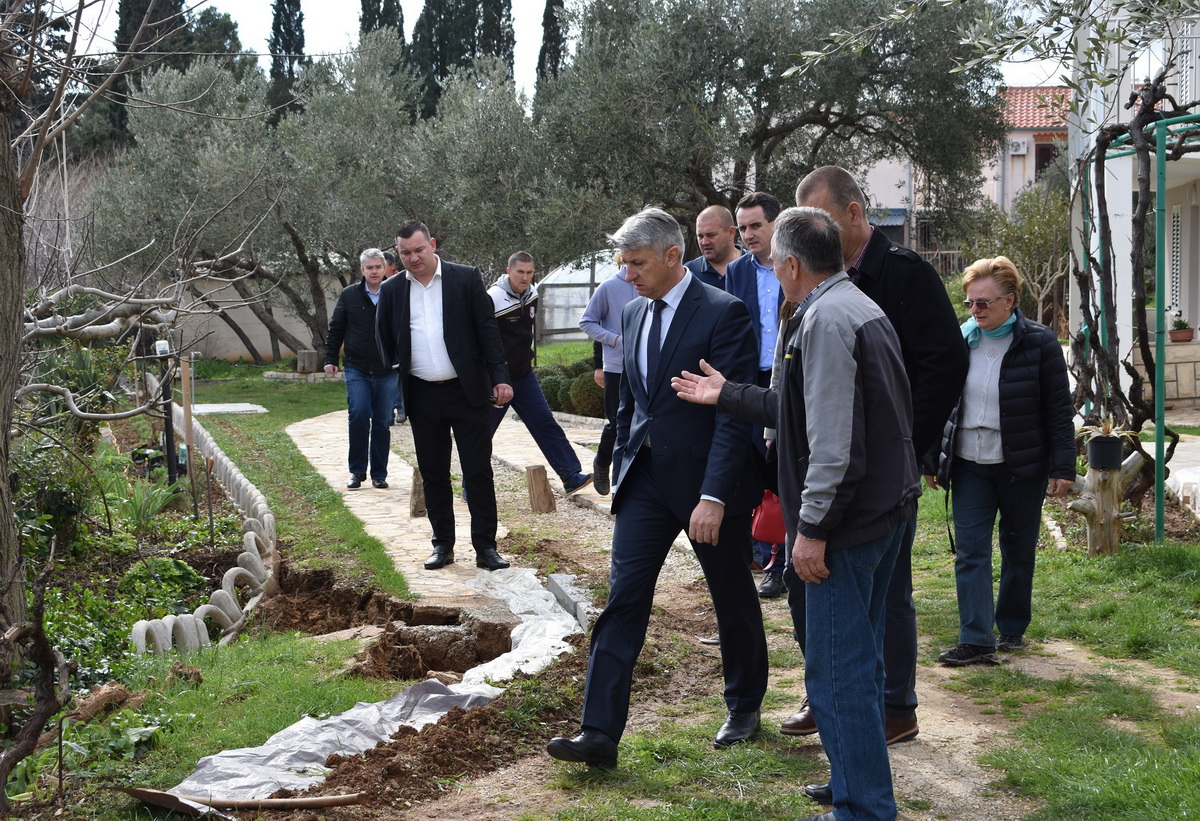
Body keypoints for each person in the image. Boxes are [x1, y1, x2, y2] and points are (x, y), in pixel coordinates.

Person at [673, 206, 919, 821]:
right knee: (856, 663)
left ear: (790, 263)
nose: (771, 274)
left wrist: (810, 531)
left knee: (839, 673)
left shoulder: (828, 321)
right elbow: (799, 405)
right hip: (883, 513)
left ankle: (862, 806)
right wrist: (726, 394)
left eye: (771, 264)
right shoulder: (852, 305)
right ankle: (853, 781)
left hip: (849, 526)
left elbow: (833, 444)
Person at [545, 208, 768, 768]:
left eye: (637, 263)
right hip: (644, 481)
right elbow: (630, 400)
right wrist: (618, 463)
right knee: (623, 599)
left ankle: (744, 705)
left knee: (731, 597)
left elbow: (733, 415)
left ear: (673, 256)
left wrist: (715, 496)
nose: (628, 275)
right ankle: (598, 732)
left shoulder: (726, 313)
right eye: (623, 265)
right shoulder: (637, 313)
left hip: (706, 487)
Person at [781, 167, 968, 763]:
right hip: (849, 469)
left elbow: (943, 363)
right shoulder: (824, 292)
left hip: (881, 473)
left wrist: (905, 442)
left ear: (856, 214)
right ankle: (835, 701)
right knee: (842, 606)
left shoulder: (900, 275)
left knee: (887, 596)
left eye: (825, 223)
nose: (818, 235)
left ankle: (893, 706)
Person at [930, 256, 1075, 666]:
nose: (975, 311)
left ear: (1010, 302)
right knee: (971, 550)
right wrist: (930, 458)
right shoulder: (960, 340)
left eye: (984, 303)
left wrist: (1063, 466)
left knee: (1018, 547)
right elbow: (939, 403)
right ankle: (976, 637)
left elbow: (1058, 410)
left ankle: (1010, 625)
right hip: (970, 463)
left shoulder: (1040, 343)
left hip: (1021, 465)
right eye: (970, 303)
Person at [376, 220, 513, 572]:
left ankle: (486, 548)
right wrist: (395, 366)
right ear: (399, 254)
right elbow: (384, 337)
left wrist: (499, 377)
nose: (413, 258)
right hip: (421, 394)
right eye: (405, 253)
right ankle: (443, 545)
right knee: (434, 473)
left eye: (419, 250)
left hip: (467, 391)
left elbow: (487, 330)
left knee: (477, 471)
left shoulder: (465, 279)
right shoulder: (392, 290)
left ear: (432, 245)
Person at [488, 251, 592, 494]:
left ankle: (570, 475)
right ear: (508, 271)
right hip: (497, 380)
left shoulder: (533, 294)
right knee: (482, 433)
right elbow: (485, 340)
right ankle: (471, 486)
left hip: (524, 376)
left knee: (545, 422)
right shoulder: (492, 298)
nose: (525, 278)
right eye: (520, 272)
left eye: (529, 272)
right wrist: (493, 378)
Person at [725, 191, 787, 599]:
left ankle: (780, 566)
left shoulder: (794, 265)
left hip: (785, 378)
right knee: (747, 467)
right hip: (749, 380)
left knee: (781, 472)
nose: (747, 234)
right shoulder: (738, 272)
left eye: (754, 226)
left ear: (774, 225)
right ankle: (753, 551)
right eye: (742, 227)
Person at [323, 248, 397, 490]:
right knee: (358, 414)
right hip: (357, 368)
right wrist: (330, 358)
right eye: (369, 268)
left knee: (382, 421)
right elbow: (336, 329)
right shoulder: (349, 295)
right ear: (362, 270)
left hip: (387, 369)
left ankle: (379, 474)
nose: (374, 271)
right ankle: (356, 472)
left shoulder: (395, 292)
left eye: (378, 267)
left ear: (385, 268)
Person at [578, 255, 638, 496]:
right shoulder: (609, 287)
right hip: (616, 367)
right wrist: (614, 341)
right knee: (616, 422)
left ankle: (628, 480)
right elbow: (587, 322)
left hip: (647, 366)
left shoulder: (655, 283)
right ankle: (603, 463)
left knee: (640, 424)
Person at [685, 204, 743, 288]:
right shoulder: (689, 273)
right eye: (700, 236)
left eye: (711, 235)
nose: (704, 242)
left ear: (731, 233)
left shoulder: (755, 265)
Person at [381, 249, 406, 425]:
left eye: (382, 266)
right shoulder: (379, 286)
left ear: (391, 266)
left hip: (400, 340)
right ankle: (389, 411)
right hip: (387, 339)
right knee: (389, 376)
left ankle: (402, 408)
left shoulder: (401, 283)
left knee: (399, 377)